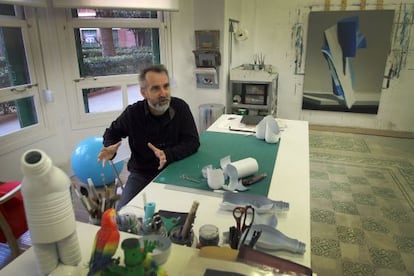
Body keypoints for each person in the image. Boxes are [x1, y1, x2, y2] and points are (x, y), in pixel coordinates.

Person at [97, 64, 200, 210]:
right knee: (123, 216)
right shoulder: (133, 114)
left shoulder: (180, 108)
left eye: (166, 86)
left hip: (176, 169)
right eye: (156, 88)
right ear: (144, 92)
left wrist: (168, 154)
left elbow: (192, 142)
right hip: (142, 174)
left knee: (181, 213)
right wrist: (110, 146)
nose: (163, 93)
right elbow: (111, 133)